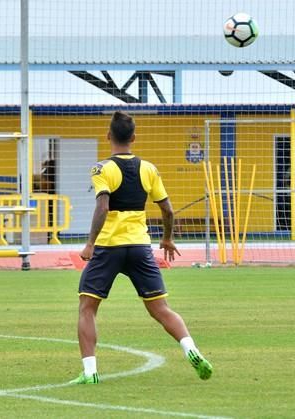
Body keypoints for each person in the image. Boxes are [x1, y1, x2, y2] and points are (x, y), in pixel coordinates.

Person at [71, 111, 213, 384]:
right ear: (134, 138)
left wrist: (90, 243)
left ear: (108, 136)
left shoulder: (102, 169)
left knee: (87, 307)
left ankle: (90, 372)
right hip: (140, 246)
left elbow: (103, 206)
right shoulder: (149, 169)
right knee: (161, 308)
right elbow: (168, 210)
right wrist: (167, 238)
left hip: (109, 246)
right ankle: (191, 349)